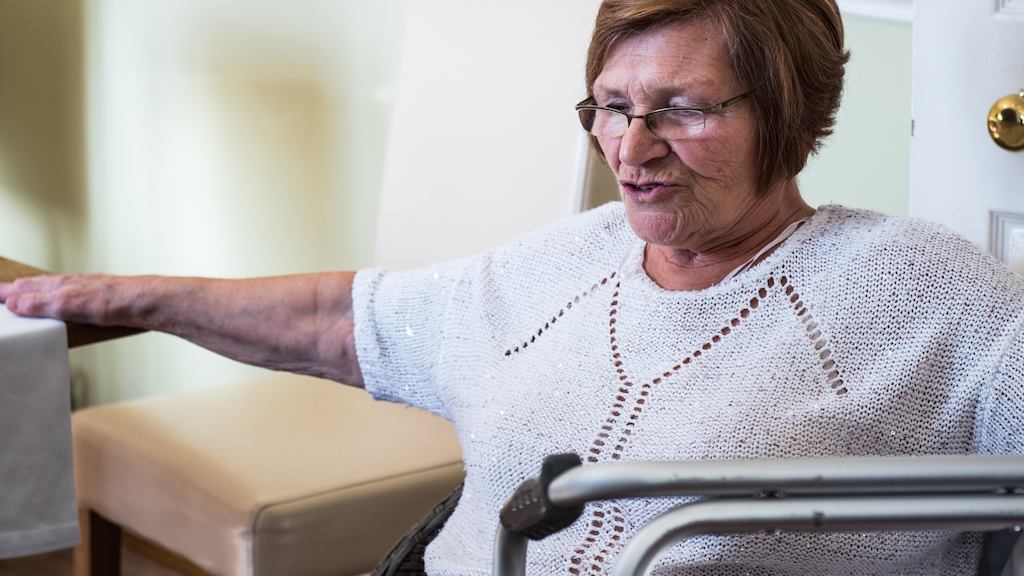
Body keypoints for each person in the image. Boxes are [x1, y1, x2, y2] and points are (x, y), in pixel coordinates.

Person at [2, 0, 1023, 574]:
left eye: (681, 108)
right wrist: (122, 297)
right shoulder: (566, 262)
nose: (631, 148)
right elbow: (347, 318)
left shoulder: (926, 293)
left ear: (790, 111)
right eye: (611, 107)